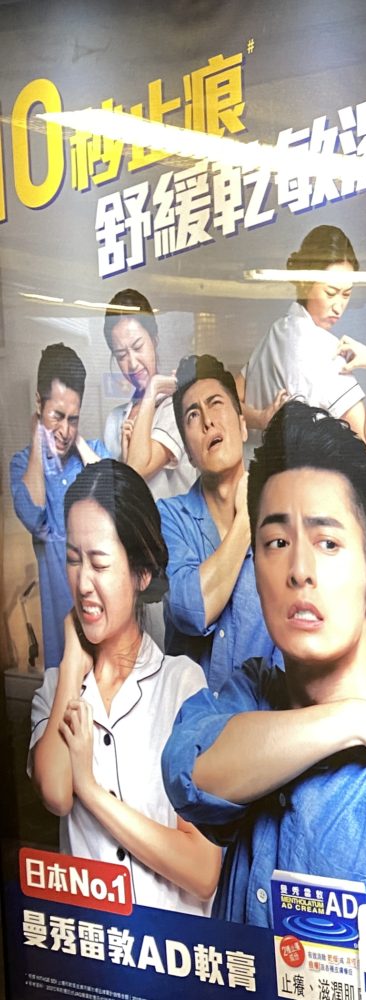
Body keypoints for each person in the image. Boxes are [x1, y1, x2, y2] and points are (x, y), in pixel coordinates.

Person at [164, 402, 366, 927]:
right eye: (277, 542)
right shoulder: (254, 690)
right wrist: (358, 720)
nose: (300, 570)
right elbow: (187, 771)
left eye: (328, 543)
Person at [29, 461, 219, 915]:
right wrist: (72, 664)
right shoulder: (56, 689)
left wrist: (91, 790)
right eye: (73, 560)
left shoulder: (182, 685)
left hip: (169, 950)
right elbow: (56, 793)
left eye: (99, 563)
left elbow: (202, 870)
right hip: (91, 950)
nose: (83, 583)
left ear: (140, 573)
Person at [158, 356, 273, 691]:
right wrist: (246, 520)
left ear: (242, 426)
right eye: (193, 415)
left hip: (268, 715)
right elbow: (191, 610)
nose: (208, 421)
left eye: (216, 404)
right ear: (188, 453)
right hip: (191, 719)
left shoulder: (281, 513)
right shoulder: (169, 518)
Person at [11, 344, 108, 669]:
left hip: (107, 633)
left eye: (73, 419)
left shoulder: (95, 453)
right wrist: (38, 439)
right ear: (39, 403)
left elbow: (113, 495)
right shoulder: (22, 466)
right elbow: (34, 514)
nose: (65, 430)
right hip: (60, 641)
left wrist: (77, 440)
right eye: (57, 416)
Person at [243, 225, 366, 441]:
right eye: (330, 293)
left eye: (346, 294)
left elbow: (230, 401)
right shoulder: (326, 349)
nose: (338, 306)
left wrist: (260, 419)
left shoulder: (277, 332)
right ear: (305, 283)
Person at [100, 290, 195, 501]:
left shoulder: (176, 407)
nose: (132, 364)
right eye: (121, 355)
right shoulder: (114, 421)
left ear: (154, 339)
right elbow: (115, 496)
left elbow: (137, 470)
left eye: (138, 347)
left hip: (170, 523)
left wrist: (153, 389)